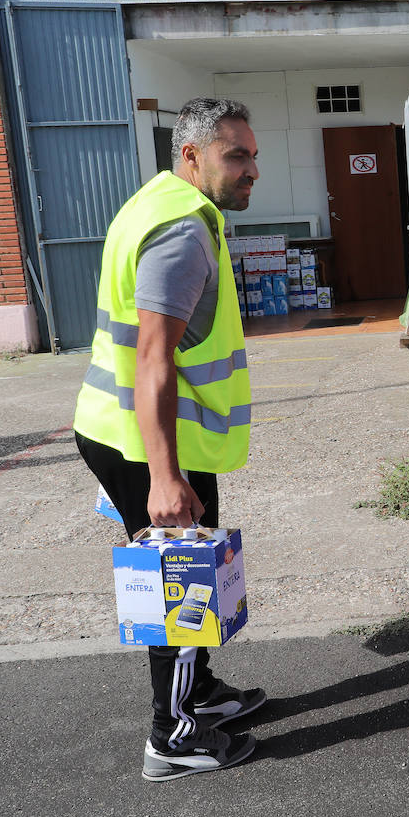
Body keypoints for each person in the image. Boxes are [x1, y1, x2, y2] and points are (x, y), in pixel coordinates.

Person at [74, 97, 265, 782]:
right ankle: (173, 734)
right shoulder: (181, 232)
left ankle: (200, 691)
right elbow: (153, 357)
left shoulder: (155, 201)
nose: (252, 170)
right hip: (148, 443)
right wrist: (163, 475)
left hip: (129, 429)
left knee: (186, 576)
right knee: (178, 585)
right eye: (235, 156)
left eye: (253, 155)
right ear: (191, 156)